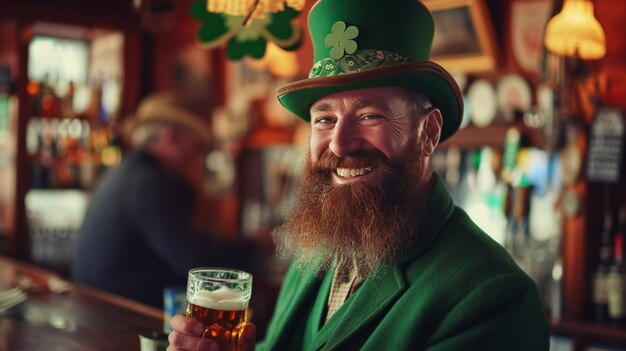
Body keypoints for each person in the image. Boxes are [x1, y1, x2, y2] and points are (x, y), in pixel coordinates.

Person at [168, 0, 550, 349]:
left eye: (370, 116)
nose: (339, 144)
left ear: (428, 132)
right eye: (324, 119)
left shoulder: (494, 298)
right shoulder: (318, 248)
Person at [72, 93, 251, 308]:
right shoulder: (152, 182)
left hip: (98, 313)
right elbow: (195, 263)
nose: (197, 157)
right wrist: (255, 247)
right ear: (170, 137)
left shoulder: (125, 172)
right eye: (197, 147)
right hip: (120, 323)